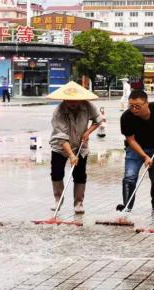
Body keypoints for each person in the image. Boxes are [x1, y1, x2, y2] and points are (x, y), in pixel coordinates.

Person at [48, 81, 103, 214]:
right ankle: (58, 199)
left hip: (80, 146)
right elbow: (61, 137)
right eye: (69, 100)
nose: (72, 103)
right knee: (56, 172)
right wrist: (71, 155)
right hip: (60, 147)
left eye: (75, 100)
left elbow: (98, 120)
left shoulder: (87, 105)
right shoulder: (59, 111)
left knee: (79, 174)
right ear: (64, 99)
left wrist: (88, 132)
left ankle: (79, 202)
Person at [118, 90, 154, 212]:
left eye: (137, 106)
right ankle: (127, 206)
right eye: (131, 106)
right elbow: (131, 140)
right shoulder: (126, 117)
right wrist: (144, 156)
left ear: (146, 104)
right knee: (130, 176)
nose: (134, 109)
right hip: (134, 149)